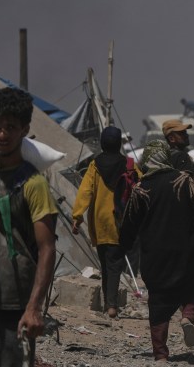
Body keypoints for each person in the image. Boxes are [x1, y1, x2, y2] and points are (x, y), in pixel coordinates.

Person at [119, 141, 194, 362]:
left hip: (154, 255)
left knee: (158, 304)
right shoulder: (183, 181)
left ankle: (160, 355)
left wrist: (124, 245)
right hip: (184, 251)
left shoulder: (141, 188)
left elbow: (129, 224)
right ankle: (187, 317)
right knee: (191, 287)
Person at [0, 87, 57, 363]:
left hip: (15, 302)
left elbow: (47, 249)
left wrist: (34, 308)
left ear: (24, 129)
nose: (2, 134)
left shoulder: (34, 184)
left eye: (10, 127)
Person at [72, 126, 136, 318]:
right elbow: (141, 188)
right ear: (119, 144)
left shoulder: (95, 165)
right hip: (121, 221)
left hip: (100, 222)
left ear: (102, 143)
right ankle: (112, 305)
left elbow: (85, 191)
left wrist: (77, 216)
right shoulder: (130, 164)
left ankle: (108, 304)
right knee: (115, 263)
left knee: (105, 263)